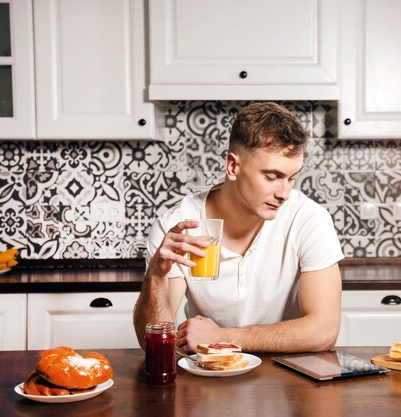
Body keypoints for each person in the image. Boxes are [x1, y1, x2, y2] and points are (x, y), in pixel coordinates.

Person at [133, 102, 344, 353]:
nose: (284, 193)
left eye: (291, 178)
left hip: (289, 378)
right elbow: (153, 345)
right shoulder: (178, 226)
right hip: (209, 377)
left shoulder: (308, 218)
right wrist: (155, 278)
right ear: (233, 166)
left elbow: (324, 331)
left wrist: (222, 337)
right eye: (272, 177)